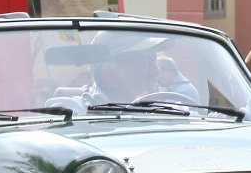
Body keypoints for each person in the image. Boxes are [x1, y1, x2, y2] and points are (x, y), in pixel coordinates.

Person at [48, 32, 200, 114]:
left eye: (153, 62)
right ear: (108, 70)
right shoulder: (75, 111)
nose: (154, 72)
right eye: (143, 62)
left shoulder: (169, 109)